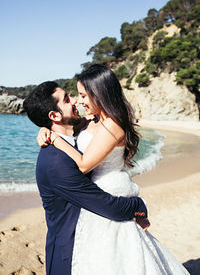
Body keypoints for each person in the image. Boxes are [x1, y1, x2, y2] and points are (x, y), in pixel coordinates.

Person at [38, 64, 189, 275]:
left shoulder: (113, 125)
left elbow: (83, 164)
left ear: (98, 93)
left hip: (109, 189)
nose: (79, 101)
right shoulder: (91, 121)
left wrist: (56, 140)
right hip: (97, 191)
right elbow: (65, 124)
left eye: (83, 95)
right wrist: (45, 128)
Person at [23, 81, 148, 275]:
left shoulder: (74, 140)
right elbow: (106, 205)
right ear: (54, 116)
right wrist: (139, 206)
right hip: (70, 255)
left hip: (93, 243)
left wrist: (46, 130)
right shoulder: (57, 161)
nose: (74, 100)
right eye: (66, 99)